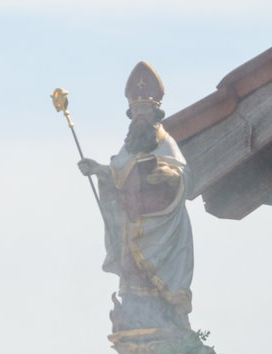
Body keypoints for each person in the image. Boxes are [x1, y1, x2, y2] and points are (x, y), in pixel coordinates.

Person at [78, 61, 193, 335]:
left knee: (157, 275)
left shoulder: (165, 142)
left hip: (161, 227)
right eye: (137, 110)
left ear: (155, 112)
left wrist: (166, 172)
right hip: (133, 223)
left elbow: (183, 175)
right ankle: (135, 313)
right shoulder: (130, 145)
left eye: (145, 109)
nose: (140, 114)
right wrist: (98, 170)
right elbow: (118, 172)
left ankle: (166, 316)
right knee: (132, 269)